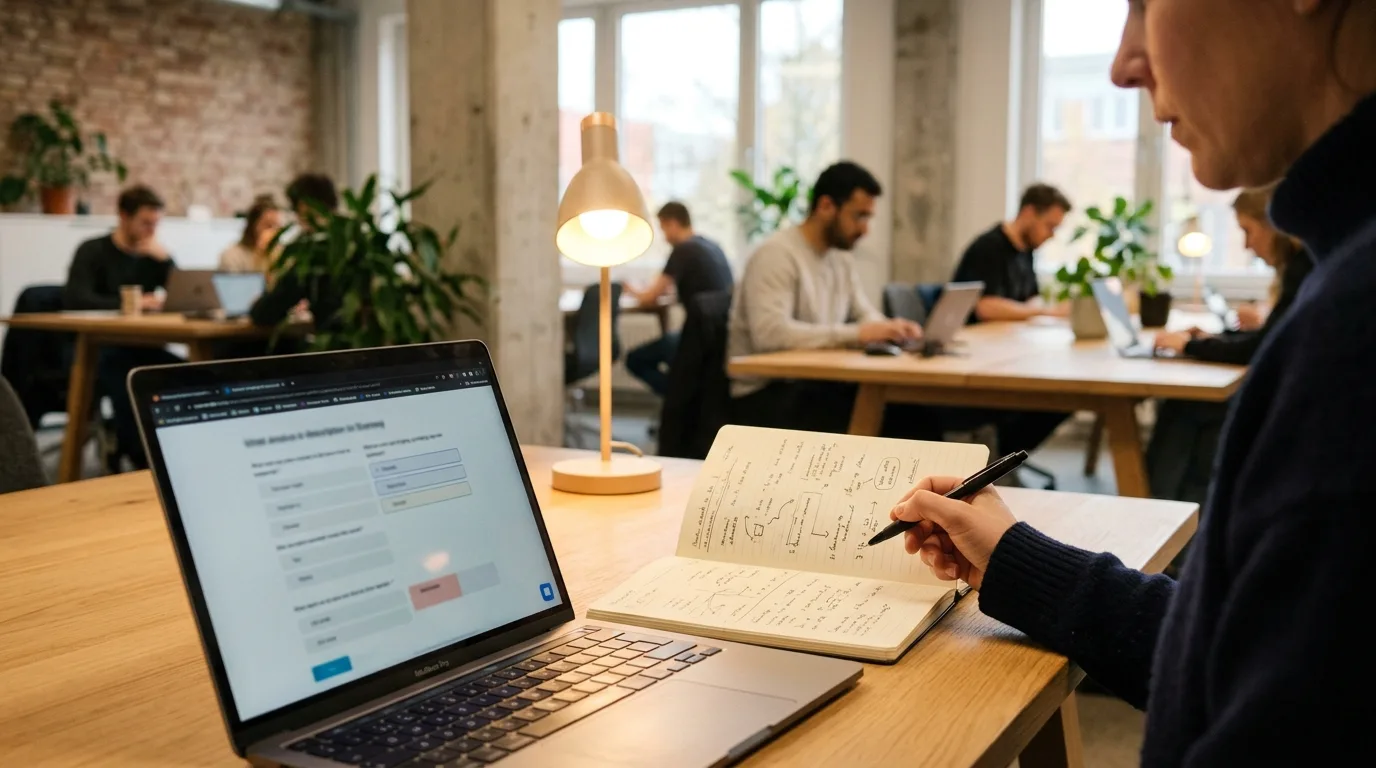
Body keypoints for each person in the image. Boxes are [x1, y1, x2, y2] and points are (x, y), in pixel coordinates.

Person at [887, 2, 1376, 764]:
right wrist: (1014, 556)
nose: (1123, 63)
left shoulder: (1354, 329)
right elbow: (1229, 654)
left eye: (1144, 3)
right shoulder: (1338, 288)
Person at [1147, 187, 1314, 505]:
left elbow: (1259, 347)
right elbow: (1270, 337)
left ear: (1273, 225)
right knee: (1190, 407)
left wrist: (1192, 346)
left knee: (1183, 406)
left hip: (1288, 399)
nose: (1247, 245)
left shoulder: (1302, 267)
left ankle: (1156, 503)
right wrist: (1208, 341)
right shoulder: (1303, 264)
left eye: (1248, 231)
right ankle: (1175, 508)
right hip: (1291, 391)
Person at [728, 161, 922, 433]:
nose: (865, 229)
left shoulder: (839, 256)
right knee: (897, 419)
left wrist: (889, 329)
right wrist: (859, 334)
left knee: (911, 411)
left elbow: (862, 312)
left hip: (811, 384)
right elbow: (770, 335)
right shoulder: (776, 255)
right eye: (859, 216)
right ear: (826, 207)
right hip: (767, 394)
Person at [63, 185, 182, 470]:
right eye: (145, 223)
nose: (150, 230)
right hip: (97, 349)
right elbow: (75, 298)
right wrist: (133, 301)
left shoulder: (152, 257)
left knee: (183, 372)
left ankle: (177, 457)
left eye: (155, 224)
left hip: (142, 346)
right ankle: (141, 462)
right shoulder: (93, 251)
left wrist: (166, 261)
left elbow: (183, 296)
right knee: (128, 377)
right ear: (123, 216)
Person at [623, 202, 733, 396]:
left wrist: (629, 289)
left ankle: (679, 399)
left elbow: (649, 297)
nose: (664, 236)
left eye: (663, 228)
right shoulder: (712, 246)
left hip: (697, 340)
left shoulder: (683, 250)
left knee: (634, 359)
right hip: (719, 338)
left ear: (673, 223)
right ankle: (685, 398)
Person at [954, 183, 1072, 321]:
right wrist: (1045, 312)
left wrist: (1040, 310)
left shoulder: (1027, 249)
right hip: (977, 336)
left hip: (1006, 334)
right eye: (1050, 226)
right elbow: (985, 307)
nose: (1052, 235)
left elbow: (1032, 299)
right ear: (1029, 213)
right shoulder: (989, 246)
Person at [248, 174, 340, 334]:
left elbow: (265, 312)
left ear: (305, 206)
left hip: (331, 348)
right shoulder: (352, 240)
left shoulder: (315, 251)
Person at [218, 195, 283, 274]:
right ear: (252, 226)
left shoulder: (282, 254)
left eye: (277, 226)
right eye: (268, 226)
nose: (273, 231)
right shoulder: (232, 256)